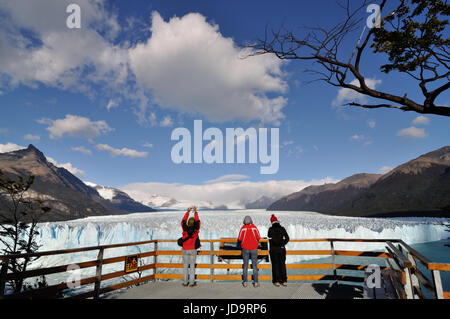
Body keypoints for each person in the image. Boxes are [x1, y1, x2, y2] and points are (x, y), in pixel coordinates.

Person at [238, 215, 261, 287]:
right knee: (254, 265)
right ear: (251, 220)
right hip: (254, 249)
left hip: (245, 249)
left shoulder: (243, 228)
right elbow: (258, 237)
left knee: (245, 265)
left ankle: (245, 282)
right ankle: (256, 282)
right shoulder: (254, 228)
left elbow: (239, 238)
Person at [181, 206, 201, 287]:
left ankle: (185, 282)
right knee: (192, 267)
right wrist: (195, 212)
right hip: (193, 249)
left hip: (185, 249)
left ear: (188, 223)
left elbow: (183, 221)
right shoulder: (196, 229)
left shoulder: (185, 228)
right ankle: (192, 283)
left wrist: (187, 212)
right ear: (194, 223)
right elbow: (198, 221)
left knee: (185, 266)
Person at [267, 214, 290, 287]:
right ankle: (284, 281)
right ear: (277, 221)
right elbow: (287, 238)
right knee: (282, 264)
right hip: (281, 249)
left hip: (273, 250)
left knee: (275, 265)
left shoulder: (271, 229)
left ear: (272, 222)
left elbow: (269, 236)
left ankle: (276, 281)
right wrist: (282, 244)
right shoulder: (282, 228)